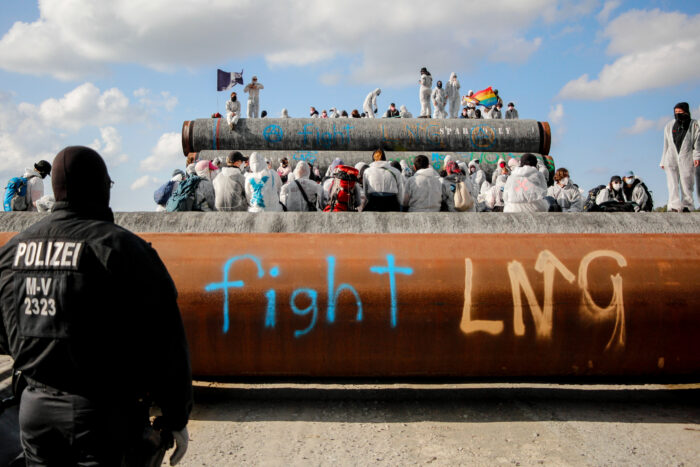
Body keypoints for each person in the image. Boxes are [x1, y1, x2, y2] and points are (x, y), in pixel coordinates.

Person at [0, 146, 192, 465]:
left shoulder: (12, 253)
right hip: (106, 415)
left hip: (34, 412)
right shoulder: (122, 250)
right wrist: (175, 416)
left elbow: (4, 335)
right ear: (103, 187)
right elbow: (167, 343)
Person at [660, 102, 699, 212]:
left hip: (687, 157)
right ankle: (674, 205)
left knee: (687, 181)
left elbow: (697, 143)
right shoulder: (669, 125)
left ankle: (687, 204)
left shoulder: (694, 125)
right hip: (671, 157)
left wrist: (697, 157)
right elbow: (665, 144)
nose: (677, 114)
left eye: (680, 112)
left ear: (686, 112)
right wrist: (662, 160)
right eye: (676, 112)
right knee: (672, 183)